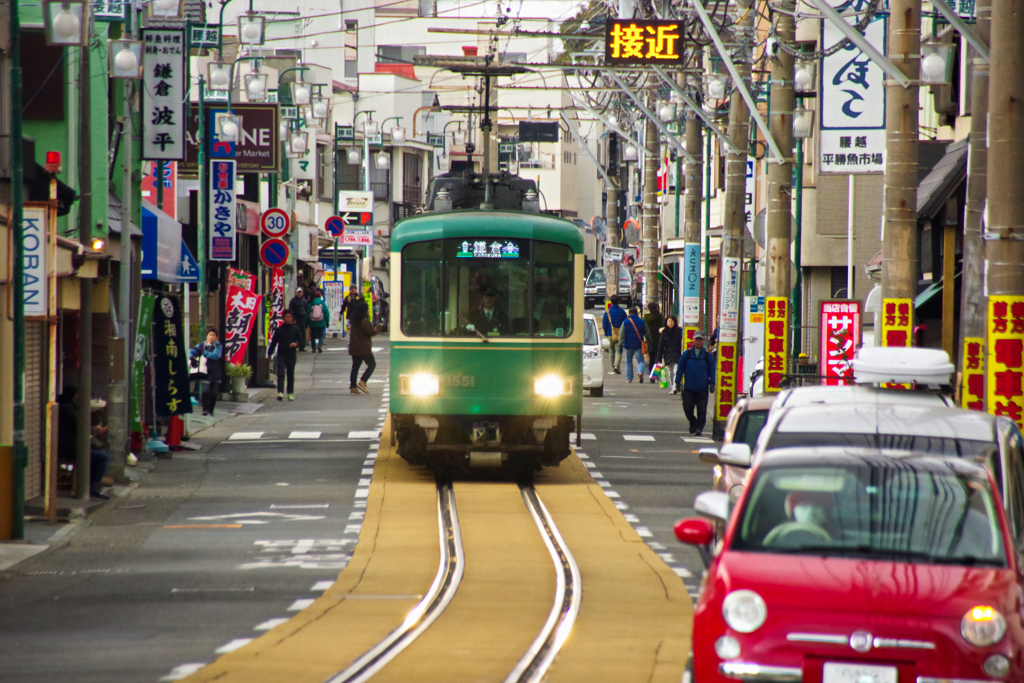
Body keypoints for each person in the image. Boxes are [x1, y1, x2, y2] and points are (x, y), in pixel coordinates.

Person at [57, 387, 111, 500]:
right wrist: (96, 430)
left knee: (104, 453)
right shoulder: (68, 410)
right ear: (76, 396)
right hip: (69, 448)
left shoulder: (66, 407)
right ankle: (94, 487)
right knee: (102, 457)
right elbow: (81, 428)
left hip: (70, 446)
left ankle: (92, 483)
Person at [676, 330, 715, 436]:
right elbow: (680, 368)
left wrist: (712, 383)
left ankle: (699, 428)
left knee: (702, 410)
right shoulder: (686, 354)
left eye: (700, 340)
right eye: (696, 339)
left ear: (704, 341)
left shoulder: (708, 356)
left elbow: (712, 370)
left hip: (702, 388)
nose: (698, 342)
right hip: (688, 387)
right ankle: (693, 422)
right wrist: (677, 382)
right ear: (693, 340)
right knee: (687, 408)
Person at [268, 310, 304, 401]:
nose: (288, 318)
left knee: (290, 374)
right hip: (281, 354)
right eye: (286, 317)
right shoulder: (279, 330)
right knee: (280, 373)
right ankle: (280, 392)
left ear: (292, 318)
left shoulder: (295, 329)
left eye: (289, 317)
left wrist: (296, 345)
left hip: (291, 355)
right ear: (283, 318)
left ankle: (290, 393)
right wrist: (269, 353)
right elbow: (273, 343)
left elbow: (301, 341)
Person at [348, 300, 382, 394]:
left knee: (355, 367)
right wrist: (378, 327)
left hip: (355, 347)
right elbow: (371, 332)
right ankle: (363, 381)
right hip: (364, 348)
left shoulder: (355, 321)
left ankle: (353, 387)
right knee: (372, 365)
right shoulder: (364, 321)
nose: (369, 310)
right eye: (368, 309)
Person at [189, 329, 224, 416]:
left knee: (214, 393)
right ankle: (204, 410)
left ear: (216, 337)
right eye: (209, 335)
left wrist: (204, 352)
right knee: (205, 391)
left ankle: (210, 410)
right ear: (207, 336)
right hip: (204, 372)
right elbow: (192, 351)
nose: (211, 337)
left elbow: (216, 356)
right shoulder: (201, 345)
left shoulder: (218, 346)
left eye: (213, 335)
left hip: (216, 372)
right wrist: (191, 357)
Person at [655, 315, 683, 394]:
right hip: (668, 355)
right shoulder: (664, 332)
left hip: (677, 354)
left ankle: (675, 387)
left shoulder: (679, 331)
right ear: (666, 323)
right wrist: (658, 359)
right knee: (670, 372)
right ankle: (673, 386)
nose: (670, 323)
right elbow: (660, 346)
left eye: (672, 321)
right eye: (669, 321)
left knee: (676, 371)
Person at [621, 307, 648, 384]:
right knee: (641, 361)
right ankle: (640, 373)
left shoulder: (625, 322)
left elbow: (622, 334)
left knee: (629, 362)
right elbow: (647, 333)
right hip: (639, 344)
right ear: (637, 313)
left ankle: (629, 378)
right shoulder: (642, 322)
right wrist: (648, 340)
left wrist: (621, 344)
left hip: (628, 345)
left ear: (629, 313)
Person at [601, 295, 628, 373]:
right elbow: (625, 323)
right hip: (619, 334)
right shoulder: (622, 312)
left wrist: (606, 333)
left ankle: (612, 367)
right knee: (618, 350)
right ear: (618, 302)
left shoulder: (607, 312)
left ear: (611, 302)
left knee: (611, 352)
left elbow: (604, 324)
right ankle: (617, 366)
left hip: (610, 334)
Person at [643, 302, 664, 370]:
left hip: (649, 340)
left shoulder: (645, 317)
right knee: (658, 359)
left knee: (651, 359)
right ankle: (657, 375)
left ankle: (652, 377)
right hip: (659, 340)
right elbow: (663, 327)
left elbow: (644, 328)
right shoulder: (660, 317)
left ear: (649, 309)